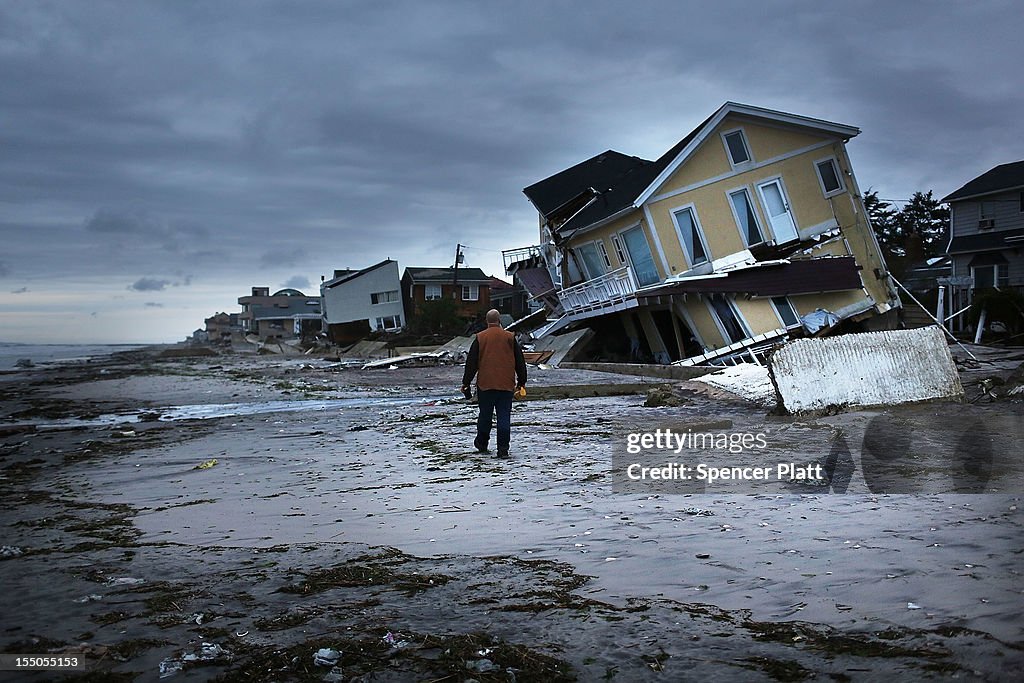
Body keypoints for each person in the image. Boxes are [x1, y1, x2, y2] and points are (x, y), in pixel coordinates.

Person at [462, 309, 527, 457]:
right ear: (499, 321)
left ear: (487, 321)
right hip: (506, 384)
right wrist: (522, 382)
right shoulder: (510, 337)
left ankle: (482, 443)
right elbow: (520, 362)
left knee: (485, 415)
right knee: (504, 416)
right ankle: (503, 449)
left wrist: (466, 383)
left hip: (485, 384)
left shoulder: (480, 337)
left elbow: (471, 363)